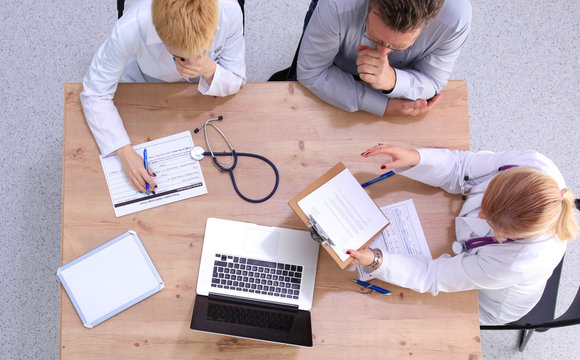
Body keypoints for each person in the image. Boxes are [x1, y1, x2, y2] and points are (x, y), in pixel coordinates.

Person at [348, 145, 578, 325]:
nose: (478, 216)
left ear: (514, 235)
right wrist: (417, 159)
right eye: (485, 202)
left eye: (491, 223)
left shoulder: (517, 262)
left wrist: (378, 260)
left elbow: (432, 276)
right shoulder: (532, 164)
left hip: (489, 300)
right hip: (476, 259)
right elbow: (465, 167)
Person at [81, 0, 246, 193]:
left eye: (201, 51)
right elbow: (95, 92)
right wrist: (125, 153)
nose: (191, 64)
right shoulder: (133, 25)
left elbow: (236, 77)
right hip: (146, 85)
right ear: (161, 36)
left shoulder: (230, 10)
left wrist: (208, 68)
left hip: (203, 96)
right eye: (181, 57)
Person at [297, 0, 471, 117]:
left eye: (399, 46)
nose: (381, 56)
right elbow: (312, 71)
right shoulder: (336, 4)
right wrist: (385, 106)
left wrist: (393, 80)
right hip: (333, 60)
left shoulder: (455, 19)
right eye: (374, 36)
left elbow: (433, 82)